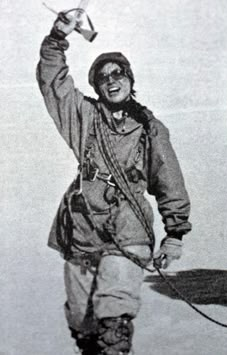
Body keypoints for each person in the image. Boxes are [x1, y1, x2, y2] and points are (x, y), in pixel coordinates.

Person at [37, 10, 192, 355]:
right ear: (97, 86)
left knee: (113, 320)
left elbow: (169, 180)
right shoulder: (86, 118)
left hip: (128, 229)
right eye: (103, 77)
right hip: (82, 229)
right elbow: (53, 82)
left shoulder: (151, 129)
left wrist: (175, 233)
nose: (111, 80)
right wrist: (56, 38)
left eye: (118, 73)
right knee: (83, 322)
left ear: (130, 79)